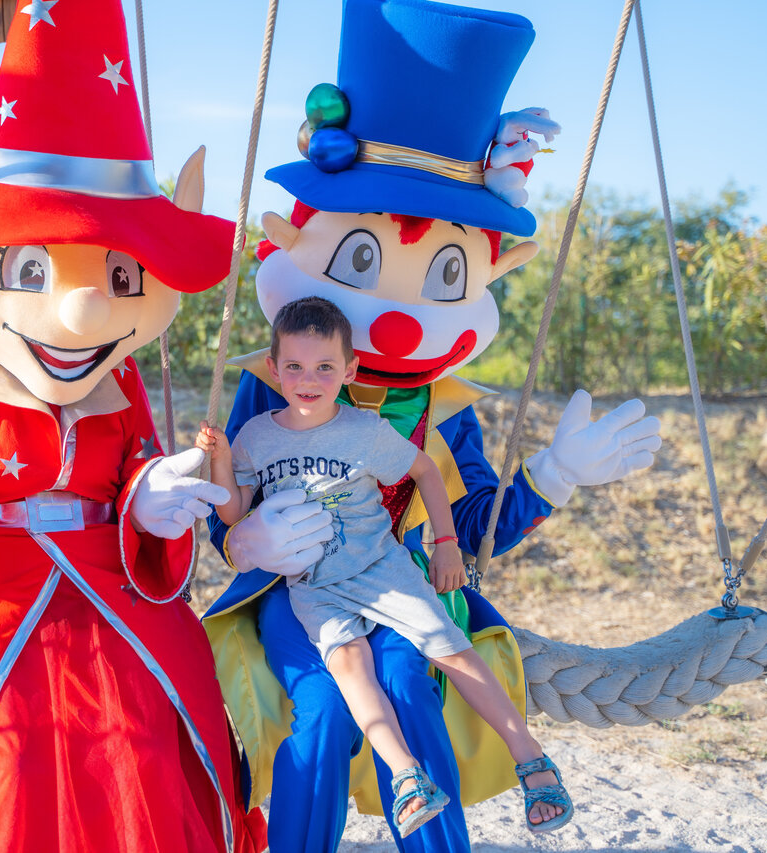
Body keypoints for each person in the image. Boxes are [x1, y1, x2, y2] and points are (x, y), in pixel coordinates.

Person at [202, 3, 660, 850]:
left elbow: (472, 522)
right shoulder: (269, 388)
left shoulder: (442, 410)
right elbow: (220, 500)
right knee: (315, 712)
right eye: (365, 258)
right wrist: (244, 539)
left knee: (415, 685)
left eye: (445, 269)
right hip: (294, 583)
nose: (404, 318)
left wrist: (553, 474)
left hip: (397, 572)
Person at [0, 3, 266, 851]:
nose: (80, 310)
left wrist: (152, 501)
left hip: (109, 577)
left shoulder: (118, 376)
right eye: (31, 266)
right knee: (3, 753)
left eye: (121, 273)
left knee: (143, 729)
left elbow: (138, 469)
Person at [199, 297, 572, 837]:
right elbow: (233, 513)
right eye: (296, 367)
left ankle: (530, 756)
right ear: (274, 369)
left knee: (446, 653)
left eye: (326, 367)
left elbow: (426, 472)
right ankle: (406, 776)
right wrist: (220, 462)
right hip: (312, 586)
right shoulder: (257, 435)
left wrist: (446, 544)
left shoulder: (364, 429)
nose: (309, 380)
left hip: (380, 567)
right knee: (346, 669)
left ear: (349, 371)